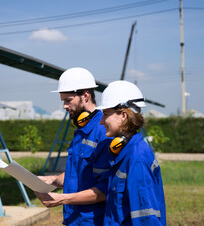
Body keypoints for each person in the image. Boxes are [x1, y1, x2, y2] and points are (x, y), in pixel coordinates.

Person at [35, 67, 113, 226]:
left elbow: (106, 189)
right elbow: (78, 172)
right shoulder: (80, 130)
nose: (64, 106)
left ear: (85, 96)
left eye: (68, 100)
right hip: (73, 219)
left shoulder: (103, 131)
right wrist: (54, 180)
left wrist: (62, 199)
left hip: (93, 221)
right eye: (63, 100)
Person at [96, 80, 166, 225]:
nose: (101, 121)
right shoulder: (124, 151)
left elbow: (145, 216)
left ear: (123, 115)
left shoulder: (137, 157)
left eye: (106, 114)